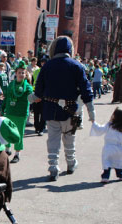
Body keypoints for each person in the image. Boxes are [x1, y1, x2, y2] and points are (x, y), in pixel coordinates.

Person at [31, 36, 95, 181]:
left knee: (53, 140)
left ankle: (53, 167)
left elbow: (39, 90)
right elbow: (86, 89)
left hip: (50, 109)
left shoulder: (47, 65)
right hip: (70, 110)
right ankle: (71, 163)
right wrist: (91, 110)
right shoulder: (77, 65)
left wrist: (32, 98)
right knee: (69, 138)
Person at [90, 107, 122, 183]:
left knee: (106, 162)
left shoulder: (109, 126)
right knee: (118, 163)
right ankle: (121, 175)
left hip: (108, 148)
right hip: (119, 149)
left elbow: (100, 129)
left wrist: (94, 123)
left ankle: (105, 177)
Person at [2, 61, 33, 163]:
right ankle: (7, 149)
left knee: (19, 133)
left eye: (23, 73)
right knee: (8, 131)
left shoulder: (28, 87)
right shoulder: (11, 85)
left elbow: (31, 97)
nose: (21, 74)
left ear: (25, 74)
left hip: (21, 114)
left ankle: (17, 154)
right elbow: (6, 98)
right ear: (16, 73)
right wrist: (3, 109)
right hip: (10, 112)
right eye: (19, 72)